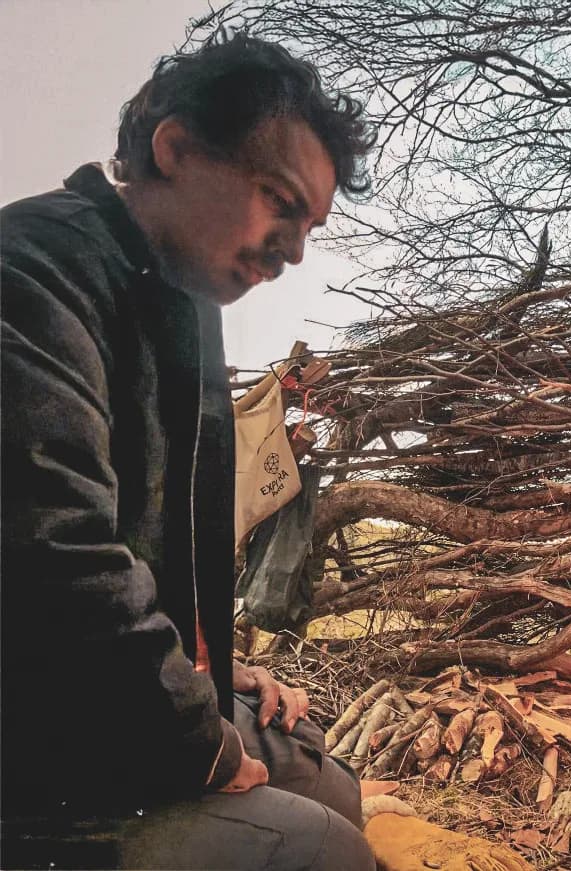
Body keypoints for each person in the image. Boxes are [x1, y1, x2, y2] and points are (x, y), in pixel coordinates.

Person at [1, 32, 377, 870]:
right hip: (24, 730)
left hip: (79, 697)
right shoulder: (31, 271)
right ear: (174, 149)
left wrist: (211, 668)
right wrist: (197, 740)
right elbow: (53, 558)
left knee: (324, 776)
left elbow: (156, 545)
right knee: (318, 847)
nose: (295, 251)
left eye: (310, 224)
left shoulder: (179, 306)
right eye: (280, 202)